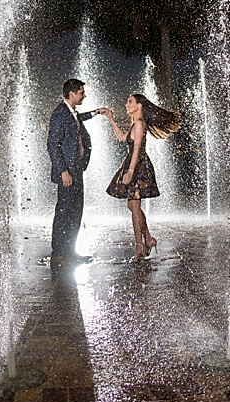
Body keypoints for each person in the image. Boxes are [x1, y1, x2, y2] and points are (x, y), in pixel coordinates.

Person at [103, 93, 182, 260]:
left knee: (134, 205)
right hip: (134, 163)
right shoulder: (135, 123)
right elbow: (123, 138)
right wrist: (111, 119)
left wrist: (131, 171)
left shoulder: (139, 123)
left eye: (130, 101)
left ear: (139, 105)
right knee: (133, 206)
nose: (126, 104)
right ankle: (149, 239)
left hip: (137, 165)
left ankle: (140, 246)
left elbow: (138, 148)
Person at [47, 78, 111, 265]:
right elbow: (52, 145)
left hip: (76, 170)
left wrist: (97, 112)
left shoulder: (70, 113)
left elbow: (78, 119)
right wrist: (63, 171)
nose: (84, 95)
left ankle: (70, 252)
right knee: (64, 212)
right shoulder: (60, 113)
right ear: (72, 93)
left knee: (75, 212)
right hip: (67, 173)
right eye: (82, 92)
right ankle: (59, 254)